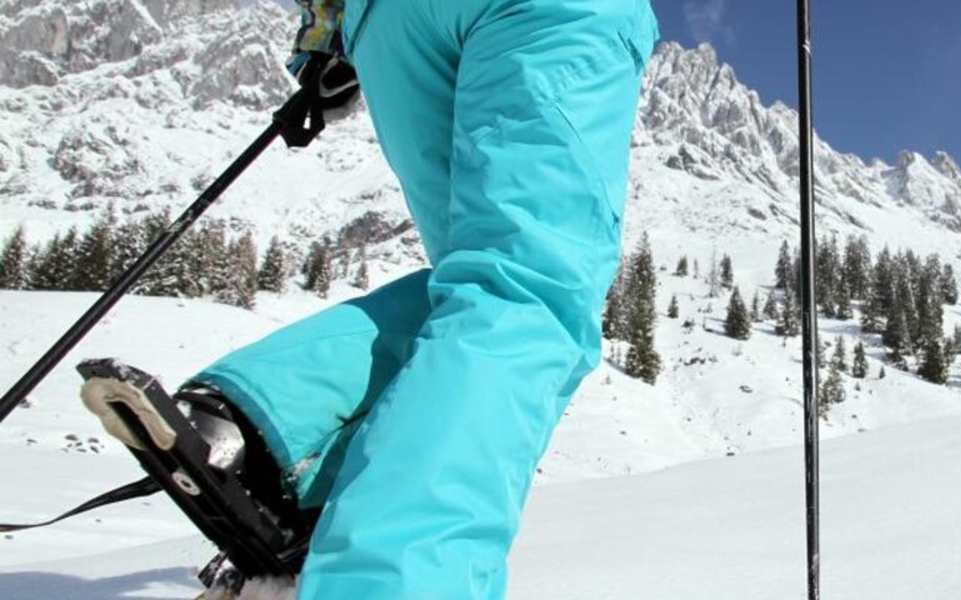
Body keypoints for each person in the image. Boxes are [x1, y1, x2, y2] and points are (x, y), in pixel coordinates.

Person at [86, 0, 657, 597]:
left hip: (385, 23)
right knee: (523, 291)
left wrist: (322, 40)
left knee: (483, 284)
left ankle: (269, 425)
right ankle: (392, 581)